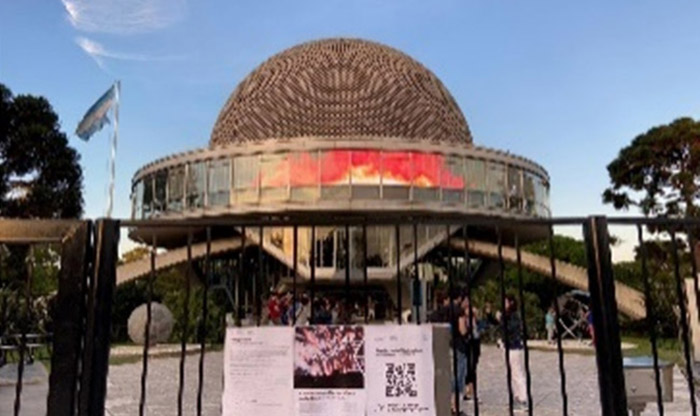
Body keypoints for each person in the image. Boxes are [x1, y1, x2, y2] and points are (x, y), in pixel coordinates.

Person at [503, 294, 528, 410]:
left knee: (517, 373)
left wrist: (502, 320)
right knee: (512, 373)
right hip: (509, 347)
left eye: (506, 302)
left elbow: (510, 329)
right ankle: (517, 396)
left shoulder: (513, 316)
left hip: (514, 347)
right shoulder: (508, 316)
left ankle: (523, 398)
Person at [450, 297, 469, 416]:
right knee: (459, 376)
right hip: (460, 346)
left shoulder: (448, 309)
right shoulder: (459, 312)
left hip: (451, 344)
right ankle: (455, 406)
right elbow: (463, 330)